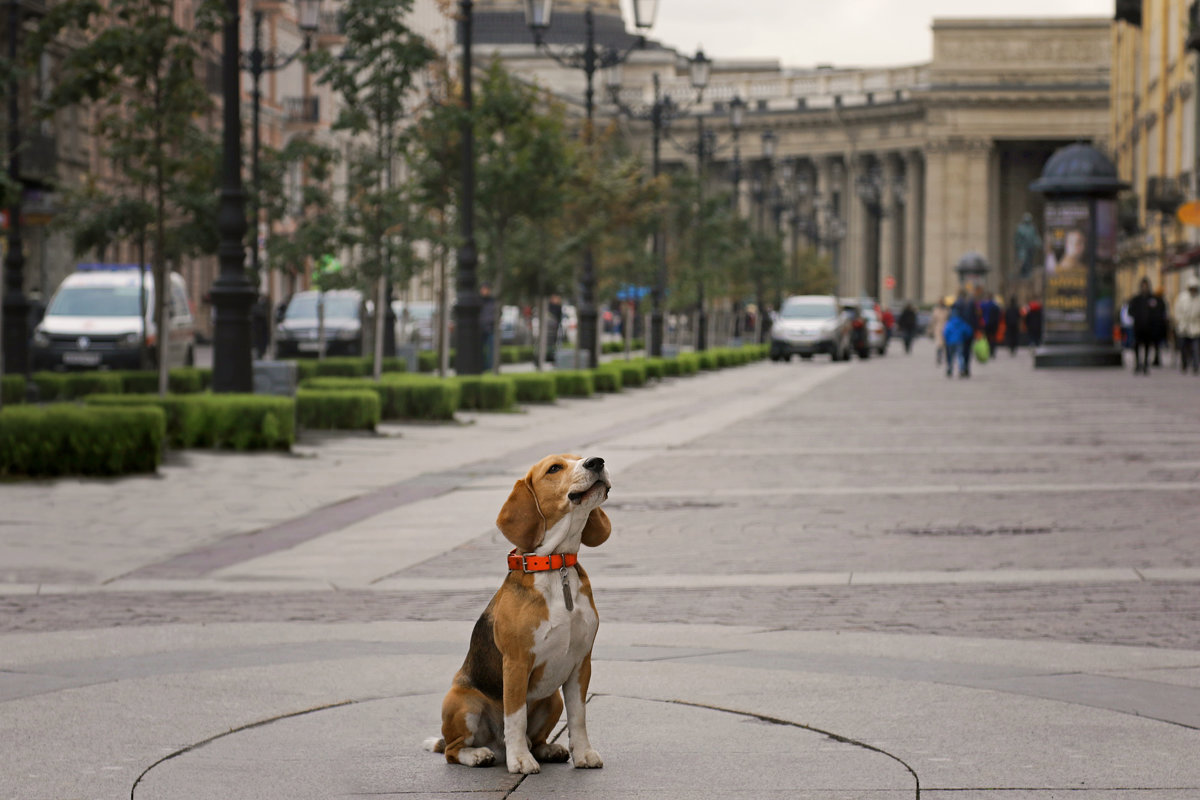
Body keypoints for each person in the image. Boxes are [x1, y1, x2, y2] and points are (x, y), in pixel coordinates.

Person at [1127, 277, 1161, 375]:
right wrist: (1136, 317)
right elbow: (1130, 311)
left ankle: (1145, 364)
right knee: (1137, 345)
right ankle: (1138, 364)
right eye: (1143, 286)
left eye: (1146, 286)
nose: (1144, 288)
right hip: (1138, 327)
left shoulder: (1153, 299)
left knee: (1147, 346)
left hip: (1149, 328)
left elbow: (1157, 311)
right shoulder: (1136, 299)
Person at [951, 289, 982, 377]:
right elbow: (976, 318)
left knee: (960, 350)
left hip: (960, 331)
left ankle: (962, 368)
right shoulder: (972, 304)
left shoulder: (956, 305)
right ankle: (966, 368)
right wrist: (977, 329)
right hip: (969, 330)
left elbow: (953, 320)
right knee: (967, 350)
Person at [1173, 275, 1200, 374]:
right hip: (1184, 326)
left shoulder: (1198, 299)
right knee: (1183, 348)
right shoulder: (1182, 297)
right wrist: (1179, 321)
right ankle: (1184, 364)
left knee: (1195, 348)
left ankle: (1195, 365)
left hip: (1196, 327)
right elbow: (1177, 311)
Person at [943, 300, 974, 378]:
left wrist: (946, 340)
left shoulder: (949, 323)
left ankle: (950, 368)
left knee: (950, 356)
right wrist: (964, 337)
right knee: (960, 356)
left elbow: (945, 332)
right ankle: (961, 369)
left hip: (950, 342)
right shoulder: (962, 322)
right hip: (960, 341)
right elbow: (968, 331)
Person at [479, 282, 497, 370]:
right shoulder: (478, 301)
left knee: (491, 351)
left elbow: (496, 314)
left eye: (485, 289)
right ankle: (482, 366)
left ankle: (489, 367)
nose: (483, 291)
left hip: (490, 329)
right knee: (481, 350)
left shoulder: (492, 301)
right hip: (481, 330)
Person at [930, 297, 951, 365]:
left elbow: (950, 319)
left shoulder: (947, 310)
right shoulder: (936, 310)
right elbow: (933, 321)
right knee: (939, 344)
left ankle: (948, 358)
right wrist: (931, 330)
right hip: (938, 328)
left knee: (947, 345)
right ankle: (939, 357)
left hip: (946, 328)